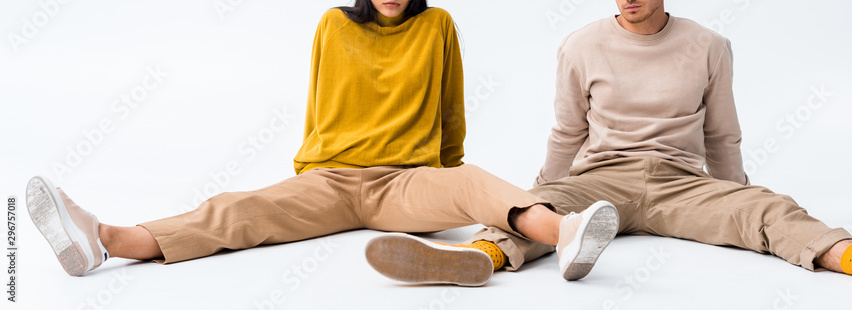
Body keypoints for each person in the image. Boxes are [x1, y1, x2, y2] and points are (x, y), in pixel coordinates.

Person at [365, 0, 852, 292]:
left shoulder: (709, 46)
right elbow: (567, 133)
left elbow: (721, 133)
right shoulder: (580, 46)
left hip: (678, 182)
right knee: (530, 212)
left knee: (769, 208)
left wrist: (741, 194)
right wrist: (542, 195)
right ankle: (475, 262)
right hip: (597, 178)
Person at [24, 0, 620, 285]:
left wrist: (449, 188)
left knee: (472, 182)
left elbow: (451, 113)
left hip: (405, 181)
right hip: (330, 179)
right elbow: (319, 108)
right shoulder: (333, 25)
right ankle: (101, 239)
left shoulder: (437, 25)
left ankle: (567, 236)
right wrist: (306, 180)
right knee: (238, 209)